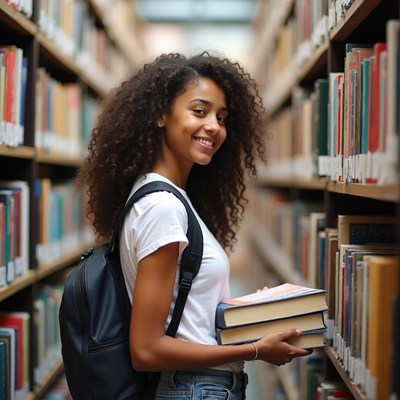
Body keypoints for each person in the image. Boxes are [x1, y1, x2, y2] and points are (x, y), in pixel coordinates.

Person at [76, 52, 311, 399]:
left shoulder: (167, 197)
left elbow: (184, 316)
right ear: (160, 114)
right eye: (199, 111)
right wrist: (257, 350)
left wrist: (247, 313)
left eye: (222, 117)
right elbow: (146, 351)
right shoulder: (163, 208)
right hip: (194, 389)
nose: (214, 126)